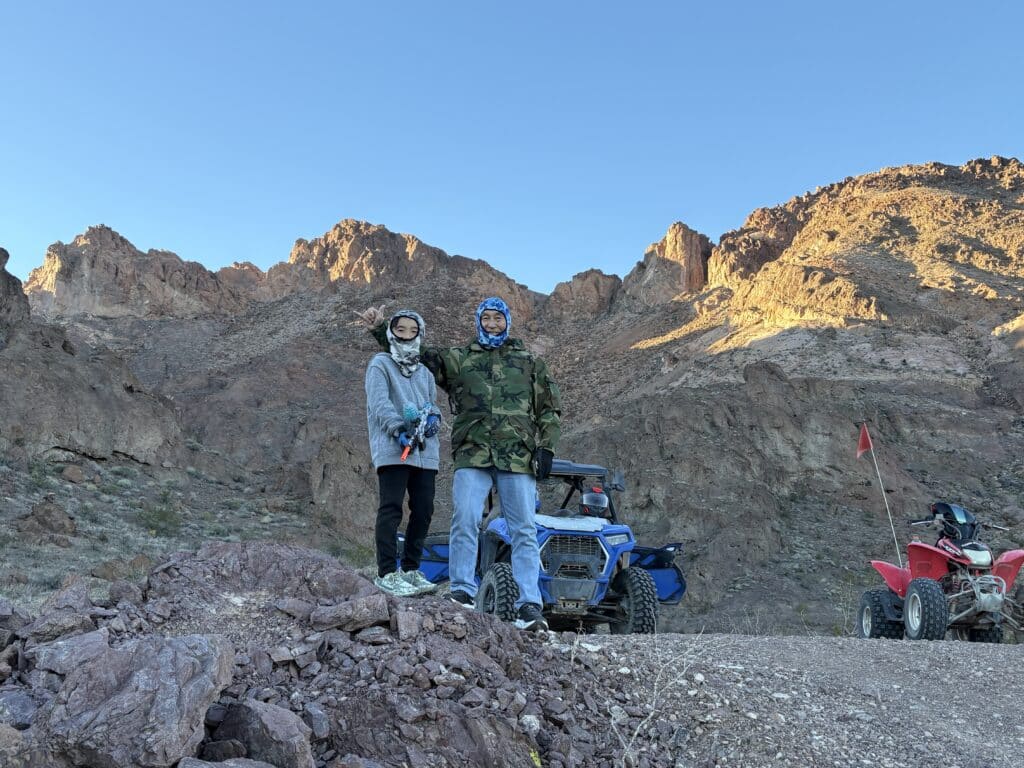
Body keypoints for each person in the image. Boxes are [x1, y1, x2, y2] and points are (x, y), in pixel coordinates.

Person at [359, 297, 561, 631]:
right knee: (465, 520)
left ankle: (528, 605)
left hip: (517, 457)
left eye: (498, 318)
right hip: (472, 453)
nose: (492, 324)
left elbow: (549, 409)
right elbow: (414, 351)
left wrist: (547, 447)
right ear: (479, 321)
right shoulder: (460, 359)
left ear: (507, 322)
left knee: (524, 530)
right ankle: (462, 591)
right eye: (486, 318)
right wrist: (381, 330)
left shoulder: (529, 362)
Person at [364, 309, 442, 597]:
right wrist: (398, 430)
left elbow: (432, 404)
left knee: (423, 509)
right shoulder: (380, 364)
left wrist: (434, 419)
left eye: (413, 330)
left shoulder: (425, 373)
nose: (407, 335)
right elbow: (379, 403)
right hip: (393, 448)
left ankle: (411, 569)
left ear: (420, 334)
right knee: (392, 508)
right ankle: (386, 572)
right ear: (391, 332)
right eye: (401, 330)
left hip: (425, 452)